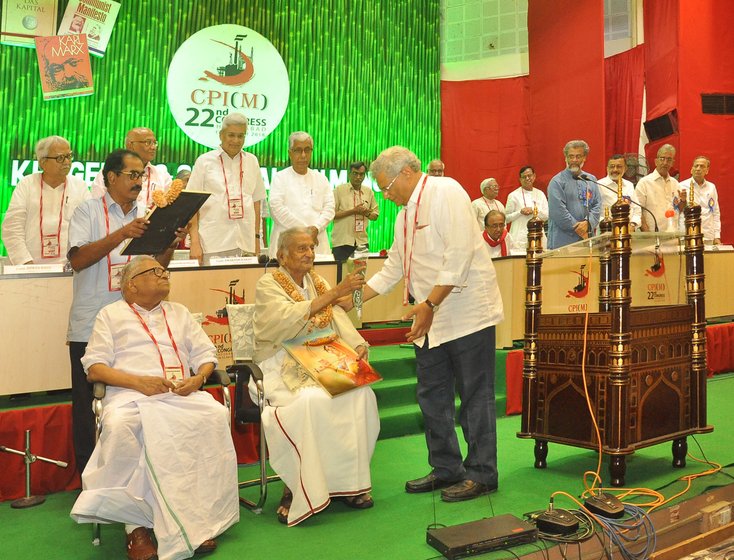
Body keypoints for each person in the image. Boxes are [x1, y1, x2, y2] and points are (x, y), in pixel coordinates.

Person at [70, 256, 238, 560]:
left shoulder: (180, 312)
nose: (165, 274)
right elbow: (94, 368)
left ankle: (194, 521)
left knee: (215, 414)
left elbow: (206, 353)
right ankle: (135, 527)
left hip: (179, 394)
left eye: (164, 271)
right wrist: (139, 383)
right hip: (129, 396)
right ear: (132, 284)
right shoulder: (111, 315)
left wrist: (198, 378)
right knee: (122, 426)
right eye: (155, 272)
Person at [362, 146, 503, 502]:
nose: (386, 195)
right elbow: (395, 266)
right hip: (430, 319)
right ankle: (446, 468)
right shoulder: (402, 215)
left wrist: (428, 304)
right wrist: (350, 298)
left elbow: (459, 256)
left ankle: (482, 473)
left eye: (387, 186)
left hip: (467, 314)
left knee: (474, 396)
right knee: (431, 396)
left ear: (407, 173)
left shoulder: (447, 192)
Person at [67, 149, 184, 474]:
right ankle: (89, 481)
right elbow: (77, 261)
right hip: (90, 323)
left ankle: (137, 474)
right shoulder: (86, 211)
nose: (138, 181)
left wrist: (168, 247)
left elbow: (153, 269)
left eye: (142, 175)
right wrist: (122, 233)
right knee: (88, 407)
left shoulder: (148, 215)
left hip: (134, 326)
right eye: (132, 174)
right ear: (111, 177)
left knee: (134, 404)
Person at [253, 227, 379, 526]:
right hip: (282, 359)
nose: (309, 253)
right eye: (301, 248)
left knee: (361, 393)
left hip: (325, 356)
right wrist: (336, 292)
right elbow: (282, 323)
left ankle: (349, 483)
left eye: (311, 247)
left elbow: (335, 316)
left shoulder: (317, 281)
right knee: (310, 402)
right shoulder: (268, 284)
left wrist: (358, 344)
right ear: (282, 255)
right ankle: (295, 486)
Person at [186, 112, 266, 265]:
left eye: (241, 136)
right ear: (221, 135)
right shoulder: (204, 162)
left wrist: (257, 240)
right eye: (231, 135)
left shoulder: (252, 161)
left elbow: (256, 203)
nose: (236, 140)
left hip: (245, 242)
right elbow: (192, 206)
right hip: (213, 243)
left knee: (243, 288)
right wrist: (194, 243)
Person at [2, 135, 90, 265]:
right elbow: (12, 227)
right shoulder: (26, 184)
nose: (67, 162)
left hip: (69, 268)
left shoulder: (80, 186)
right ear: (42, 162)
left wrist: (77, 262)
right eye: (60, 158)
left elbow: (89, 228)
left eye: (69, 156)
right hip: (29, 267)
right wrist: (25, 263)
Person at [268, 132, 335, 258]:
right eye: (298, 150)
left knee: (319, 277)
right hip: (288, 244)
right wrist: (305, 232)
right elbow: (276, 208)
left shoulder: (321, 178)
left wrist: (316, 228)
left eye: (307, 150)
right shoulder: (280, 178)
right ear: (290, 153)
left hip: (317, 243)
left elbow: (330, 208)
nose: (303, 155)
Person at [91, 127, 173, 218]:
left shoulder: (162, 174)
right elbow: (96, 206)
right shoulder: (110, 171)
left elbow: (171, 207)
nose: (153, 147)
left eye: (155, 143)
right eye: (148, 142)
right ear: (130, 145)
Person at [547, 140, 602, 249]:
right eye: (571, 156)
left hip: (587, 240)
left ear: (584, 158)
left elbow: (597, 205)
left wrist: (588, 223)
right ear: (565, 158)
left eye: (578, 156)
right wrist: (581, 230)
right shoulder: (557, 181)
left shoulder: (590, 179)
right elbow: (558, 212)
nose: (574, 160)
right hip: (563, 242)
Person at [331, 161, 379, 281]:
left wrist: (366, 212)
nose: (358, 177)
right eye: (355, 173)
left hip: (362, 242)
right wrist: (353, 211)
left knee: (359, 279)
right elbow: (331, 215)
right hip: (342, 242)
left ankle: (357, 300)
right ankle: (341, 300)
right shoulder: (338, 190)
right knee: (340, 279)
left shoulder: (369, 192)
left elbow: (375, 216)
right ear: (349, 174)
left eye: (361, 174)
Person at [635, 144, 682, 233]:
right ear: (656, 161)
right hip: (653, 235)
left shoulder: (675, 183)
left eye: (669, 159)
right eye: (662, 158)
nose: (665, 162)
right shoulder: (644, 183)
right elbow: (638, 210)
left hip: (673, 235)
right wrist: (647, 233)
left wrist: (683, 201)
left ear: (672, 163)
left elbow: (679, 209)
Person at [679, 156, 721, 244]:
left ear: (707, 170)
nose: (698, 169)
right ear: (691, 169)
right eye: (696, 166)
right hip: (687, 234)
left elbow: (715, 212)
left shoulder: (711, 187)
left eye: (702, 166)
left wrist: (717, 236)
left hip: (707, 235)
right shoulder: (681, 186)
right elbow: (676, 212)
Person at [504, 166, 549, 249]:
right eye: (524, 177)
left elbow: (546, 216)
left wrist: (534, 211)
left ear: (534, 176)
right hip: (519, 236)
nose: (527, 178)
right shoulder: (513, 195)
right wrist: (520, 212)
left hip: (538, 234)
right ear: (520, 179)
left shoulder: (540, 194)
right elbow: (506, 218)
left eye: (529, 175)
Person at [597, 154, 641, 232]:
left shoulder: (629, 185)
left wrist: (633, 224)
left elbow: (637, 210)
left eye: (619, 166)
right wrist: (606, 223)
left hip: (628, 231)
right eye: (612, 166)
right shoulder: (599, 185)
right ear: (607, 168)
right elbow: (593, 212)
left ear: (625, 168)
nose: (615, 170)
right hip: (606, 231)